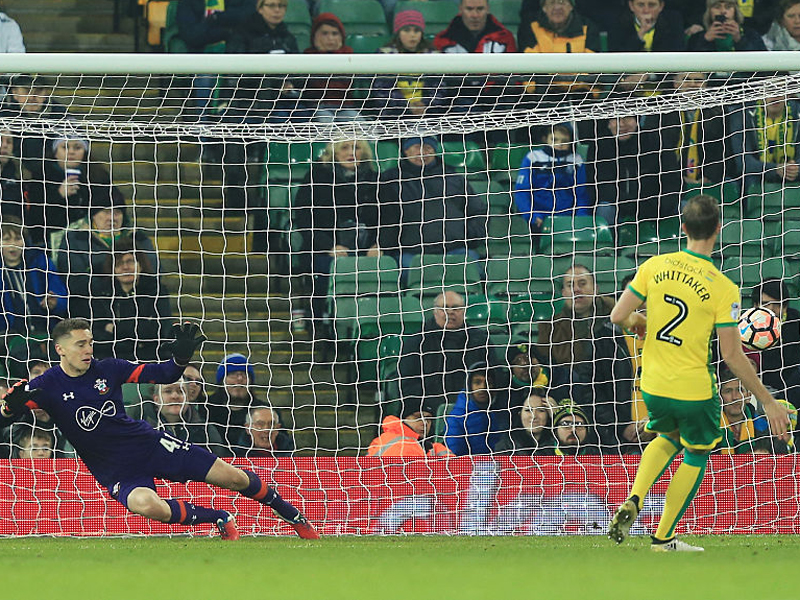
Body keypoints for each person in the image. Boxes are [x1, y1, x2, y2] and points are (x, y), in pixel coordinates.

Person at [0, 318, 319, 540]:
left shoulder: (109, 368)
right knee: (147, 505)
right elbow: (6, 417)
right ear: (60, 349)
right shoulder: (45, 386)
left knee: (233, 478)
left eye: (91, 343)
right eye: (80, 344)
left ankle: (293, 516)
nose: (88, 350)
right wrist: (9, 407)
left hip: (149, 444)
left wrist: (180, 357)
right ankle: (219, 517)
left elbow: (164, 374)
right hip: (115, 470)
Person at [607, 194, 790, 552]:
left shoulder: (654, 265)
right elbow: (731, 355)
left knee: (669, 435)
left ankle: (635, 497)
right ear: (718, 229)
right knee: (696, 451)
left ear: (683, 227)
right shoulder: (723, 287)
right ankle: (664, 538)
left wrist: (639, 321)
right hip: (693, 388)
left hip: (652, 384)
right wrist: (767, 400)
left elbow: (617, 316)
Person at [537, 264, 634, 449]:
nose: (576, 289)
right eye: (570, 285)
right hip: (570, 406)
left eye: (582, 283)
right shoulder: (550, 329)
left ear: (596, 288)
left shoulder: (619, 317)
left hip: (615, 408)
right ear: (563, 293)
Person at [292, 139, 379, 327]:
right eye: (345, 148)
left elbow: (390, 217)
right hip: (323, 248)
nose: (351, 153)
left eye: (356, 148)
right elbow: (304, 219)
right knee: (326, 268)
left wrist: (378, 244)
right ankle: (322, 322)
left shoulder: (375, 179)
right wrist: (329, 246)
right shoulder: (316, 177)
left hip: (367, 248)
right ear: (334, 153)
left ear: (364, 153)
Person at [376, 137, 487, 268]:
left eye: (428, 147)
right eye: (417, 147)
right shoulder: (389, 180)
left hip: (455, 250)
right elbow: (381, 216)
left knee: (471, 268)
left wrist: (466, 234)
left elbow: (477, 211)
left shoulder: (453, 178)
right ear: (406, 150)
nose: (422, 152)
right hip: (410, 253)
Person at [57, 187, 159, 320]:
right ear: (93, 215)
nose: (111, 218)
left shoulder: (138, 238)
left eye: (117, 212)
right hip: (89, 310)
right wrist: (119, 281)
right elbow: (75, 281)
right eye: (106, 212)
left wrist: (100, 272)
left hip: (134, 307)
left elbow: (153, 271)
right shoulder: (75, 239)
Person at [397, 291, 499, 414]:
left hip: (475, 408)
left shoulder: (480, 340)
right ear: (435, 312)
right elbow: (408, 384)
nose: (450, 312)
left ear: (464, 311)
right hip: (427, 411)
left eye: (456, 308)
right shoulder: (416, 341)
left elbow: (494, 377)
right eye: (444, 308)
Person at [0, 216, 68, 377]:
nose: (13, 244)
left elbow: (61, 297)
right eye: (6, 239)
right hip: (9, 337)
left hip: (46, 332)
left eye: (18, 238)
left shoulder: (40, 261)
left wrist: (54, 302)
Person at [588, 115, 681, 230]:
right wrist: (632, 204)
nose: (621, 124)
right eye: (615, 119)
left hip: (654, 207)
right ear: (608, 123)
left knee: (685, 206)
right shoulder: (599, 145)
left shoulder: (656, 140)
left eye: (627, 118)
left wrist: (657, 206)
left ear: (637, 120)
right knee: (605, 208)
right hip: (619, 207)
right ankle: (609, 242)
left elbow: (673, 181)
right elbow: (601, 188)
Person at [89, 238, 172, 363]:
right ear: (112, 269)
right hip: (112, 359)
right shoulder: (102, 293)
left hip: (150, 359)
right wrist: (135, 339)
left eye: (130, 261)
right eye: (119, 263)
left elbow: (160, 331)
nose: (125, 267)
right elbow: (97, 336)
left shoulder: (156, 290)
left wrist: (115, 329)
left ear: (140, 265)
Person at [642, 72, 731, 186]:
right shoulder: (660, 109)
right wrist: (677, 178)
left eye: (698, 81)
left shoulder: (718, 111)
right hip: (665, 180)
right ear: (675, 83)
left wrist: (708, 177)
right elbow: (652, 149)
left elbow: (724, 150)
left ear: (705, 85)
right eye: (686, 80)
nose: (692, 84)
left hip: (709, 180)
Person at [513, 124, 591, 234]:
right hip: (539, 219)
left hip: (568, 219)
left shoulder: (576, 160)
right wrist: (531, 215)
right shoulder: (532, 158)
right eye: (554, 140)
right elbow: (522, 191)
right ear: (545, 139)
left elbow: (581, 193)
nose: (559, 144)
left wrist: (581, 216)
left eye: (564, 141)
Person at [372, 11, 443, 119]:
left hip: (428, 115)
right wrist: (407, 105)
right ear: (398, 32)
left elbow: (439, 90)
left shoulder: (433, 56)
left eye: (416, 30)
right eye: (406, 30)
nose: (412, 35)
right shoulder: (385, 55)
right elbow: (381, 92)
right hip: (393, 116)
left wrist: (425, 104)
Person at [144, 379, 231, 458]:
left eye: (181, 391)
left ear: (188, 399)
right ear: (156, 399)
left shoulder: (207, 431)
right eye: (168, 391)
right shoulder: (143, 430)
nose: (175, 396)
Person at [729, 94, 800, 188]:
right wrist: (775, 169)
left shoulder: (797, 113)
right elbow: (743, 162)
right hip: (758, 174)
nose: (775, 96)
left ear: (787, 94)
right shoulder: (742, 115)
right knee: (750, 179)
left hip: (792, 173)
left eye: (780, 91)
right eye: (770, 91)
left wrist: (794, 168)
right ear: (760, 94)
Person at [750, 279, 800, 410]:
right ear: (755, 305)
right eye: (765, 304)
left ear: (785, 306)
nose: (771, 309)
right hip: (758, 388)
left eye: (777, 304)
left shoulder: (796, 321)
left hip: (792, 388)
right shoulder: (746, 325)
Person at [206, 353, 269, 453]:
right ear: (222, 381)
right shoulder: (206, 409)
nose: (239, 379)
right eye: (233, 374)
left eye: (244, 375)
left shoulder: (265, 411)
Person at [443, 362, 509, 456]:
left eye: (489, 383)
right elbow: (456, 457)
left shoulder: (503, 413)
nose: (483, 387)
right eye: (477, 382)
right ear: (469, 386)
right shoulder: (456, 418)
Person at [367, 399, 452, 457]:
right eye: (418, 417)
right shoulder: (401, 444)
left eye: (428, 419)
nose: (425, 423)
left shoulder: (430, 447)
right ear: (404, 419)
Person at [519, 0, 602, 53]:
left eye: (562, 2)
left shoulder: (587, 28)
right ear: (544, 8)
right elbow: (530, 66)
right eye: (552, 3)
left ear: (571, 7)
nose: (557, 7)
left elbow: (592, 66)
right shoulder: (532, 28)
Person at [434, 0, 516, 53]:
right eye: (469, 9)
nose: (475, 15)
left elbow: (512, 72)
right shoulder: (442, 41)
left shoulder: (505, 39)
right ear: (460, 9)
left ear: (488, 9)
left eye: (480, 9)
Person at [687, 0, 767, 51]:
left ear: (735, 11)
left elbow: (764, 66)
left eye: (728, 7)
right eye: (717, 7)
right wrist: (705, 40)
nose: (723, 11)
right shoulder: (697, 38)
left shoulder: (751, 35)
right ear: (709, 12)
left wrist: (740, 40)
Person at [494, 391, 557, 455]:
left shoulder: (556, 440)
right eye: (528, 410)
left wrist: (557, 416)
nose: (534, 416)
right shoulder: (507, 444)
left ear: (549, 414)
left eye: (541, 410)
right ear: (520, 413)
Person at [716, 365, 761, 454]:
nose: (735, 397)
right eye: (728, 391)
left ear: (748, 396)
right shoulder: (708, 428)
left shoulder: (763, 427)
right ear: (719, 398)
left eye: (740, 390)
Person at [609, 0, 686, 52]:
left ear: (661, 6)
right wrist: (640, 34)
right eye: (641, 5)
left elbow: (675, 54)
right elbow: (617, 57)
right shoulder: (619, 22)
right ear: (631, 6)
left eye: (651, 5)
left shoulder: (673, 21)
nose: (646, 10)